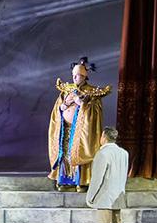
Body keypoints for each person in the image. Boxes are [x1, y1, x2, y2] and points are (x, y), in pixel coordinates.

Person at [47, 56, 111, 190]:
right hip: (65, 129)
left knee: (78, 152)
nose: (75, 78)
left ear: (84, 76)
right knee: (65, 153)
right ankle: (64, 180)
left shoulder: (91, 92)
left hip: (80, 131)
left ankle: (81, 181)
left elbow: (95, 111)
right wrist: (64, 105)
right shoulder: (66, 90)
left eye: (78, 75)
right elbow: (58, 108)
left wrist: (81, 103)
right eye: (73, 75)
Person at [86, 127, 129, 223]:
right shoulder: (124, 153)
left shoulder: (102, 154)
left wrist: (90, 196)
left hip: (105, 196)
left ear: (104, 137)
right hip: (119, 195)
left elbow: (97, 179)